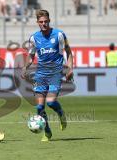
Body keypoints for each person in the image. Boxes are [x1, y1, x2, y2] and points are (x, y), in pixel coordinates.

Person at [21, 10, 73, 142]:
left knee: (50, 103)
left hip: (55, 73)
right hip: (40, 74)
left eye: (45, 21)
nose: (43, 24)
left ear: (49, 21)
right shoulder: (34, 38)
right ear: (37, 22)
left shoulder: (59, 35)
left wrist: (70, 68)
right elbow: (31, 55)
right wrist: (25, 67)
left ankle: (61, 114)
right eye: (41, 22)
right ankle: (47, 132)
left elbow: (68, 52)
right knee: (39, 107)